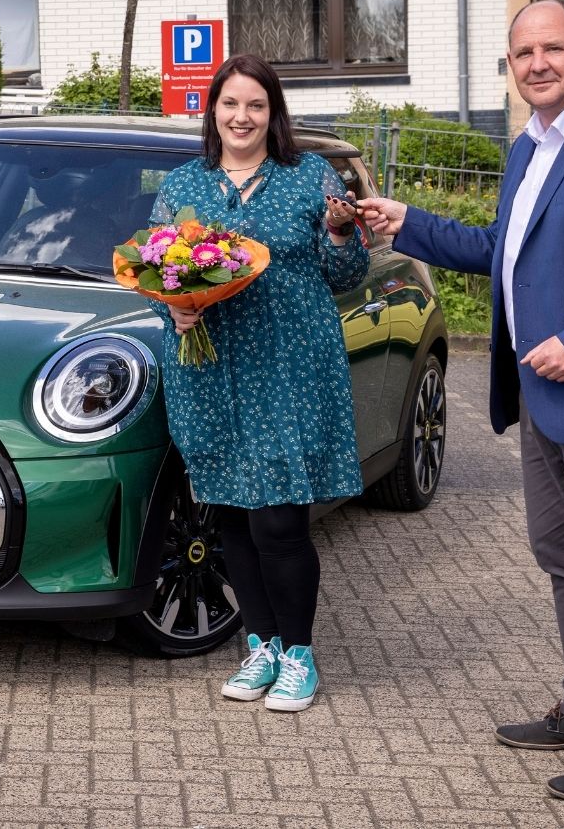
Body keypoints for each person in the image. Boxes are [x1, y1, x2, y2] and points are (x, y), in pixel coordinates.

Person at [359, 0, 564, 802]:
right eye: (522, 53)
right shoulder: (527, 149)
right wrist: (407, 223)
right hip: (539, 399)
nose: (537, 63)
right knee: (563, 560)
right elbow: (500, 251)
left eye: (552, 49)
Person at [149, 53, 369, 711]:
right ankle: (260, 644)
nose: (241, 116)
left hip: (289, 368)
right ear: (211, 110)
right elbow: (157, 267)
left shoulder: (308, 177)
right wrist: (175, 306)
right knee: (233, 520)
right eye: (230, 104)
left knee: (280, 522)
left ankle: (299, 655)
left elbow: (347, 272)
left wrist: (338, 231)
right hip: (208, 369)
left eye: (255, 105)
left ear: (273, 114)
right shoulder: (184, 184)